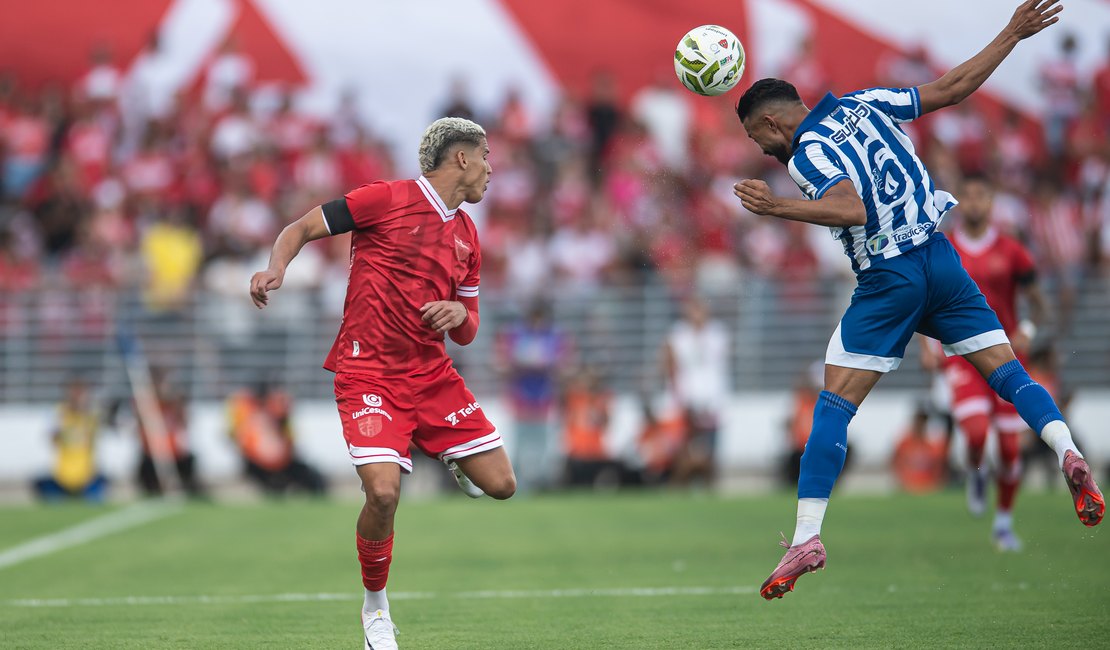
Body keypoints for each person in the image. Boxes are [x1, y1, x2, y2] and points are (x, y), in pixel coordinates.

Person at [731, 0, 1102, 601]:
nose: (761, 149)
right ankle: (1069, 452)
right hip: (941, 259)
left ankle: (806, 537)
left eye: (756, 137)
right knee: (1007, 371)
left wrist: (779, 207)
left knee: (832, 402)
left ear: (773, 125)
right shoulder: (866, 103)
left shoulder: (805, 155)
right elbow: (953, 87)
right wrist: (1011, 33)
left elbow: (853, 209)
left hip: (890, 277)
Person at [249, 117, 515, 650]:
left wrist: (453, 315)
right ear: (461, 158)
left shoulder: (467, 234)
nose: (492, 169)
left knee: (503, 486)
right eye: (486, 156)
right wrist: (275, 268)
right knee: (385, 492)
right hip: (368, 371)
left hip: (432, 376)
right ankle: (376, 609)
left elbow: (469, 327)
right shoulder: (385, 198)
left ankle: (448, 454)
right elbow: (299, 227)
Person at [941, 174, 1046, 551]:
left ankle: (1003, 524)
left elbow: (1038, 301)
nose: (973, 203)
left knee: (1010, 448)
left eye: (980, 196)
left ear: (991, 202)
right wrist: (923, 343)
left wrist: (1029, 330)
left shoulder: (1012, 250)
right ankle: (975, 471)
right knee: (974, 433)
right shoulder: (945, 247)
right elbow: (923, 297)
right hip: (961, 356)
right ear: (959, 202)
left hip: (1007, 356)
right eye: (966, 196)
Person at [661, 297, 730, 487]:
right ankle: (680, 482)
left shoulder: (717, 333)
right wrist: (676, 394)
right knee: (682, 445)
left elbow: (717, 364)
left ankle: (709, 483)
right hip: (685, 398)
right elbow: (670, 364)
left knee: (710, 446)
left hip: (711, 398)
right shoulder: (679, 334)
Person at [227, 381, 328, 497]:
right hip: (262, 462)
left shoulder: (259, 411)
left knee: (304, 479)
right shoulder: (252, 411)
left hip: (275, 461)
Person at [32, 378, 109, 502]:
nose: (77, 397)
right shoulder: (59, 413)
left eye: (80, 393)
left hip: (86, 477)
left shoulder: (92, 415)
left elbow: (105, 426)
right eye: (74, 393)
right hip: (61, 477)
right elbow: (52, 438)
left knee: (102, 487)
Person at [891, 402, 948, 494]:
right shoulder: (904, 443)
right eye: (918, 420)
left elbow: (940, 468)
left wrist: (936, 485)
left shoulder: (933, 445)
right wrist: (901, 482)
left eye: (923, 421)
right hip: (908, 488)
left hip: (928, 489)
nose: (920, 424)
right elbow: (895, 463)